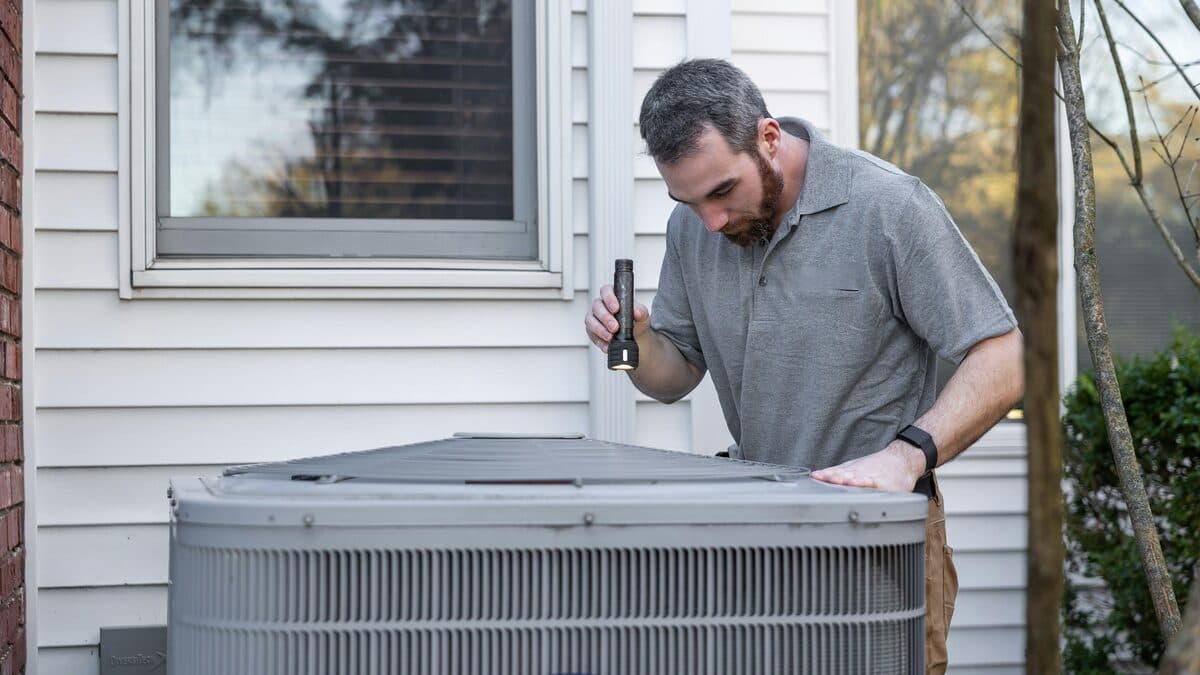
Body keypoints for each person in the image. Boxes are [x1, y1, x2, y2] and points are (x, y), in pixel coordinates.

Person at [583, 59, 1024, 674]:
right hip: (758, 539)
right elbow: (675, 372)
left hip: (877, 539)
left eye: (722, 192)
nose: (710, 219)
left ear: (768, 137)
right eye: (687, 198)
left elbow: (1004, 355)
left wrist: (907, 455)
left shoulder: (888, 206)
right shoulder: (693, 227)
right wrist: (636, 340)